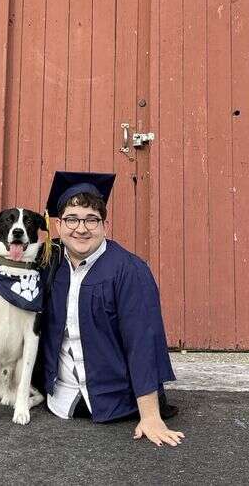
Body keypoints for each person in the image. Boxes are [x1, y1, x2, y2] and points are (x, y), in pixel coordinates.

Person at [39, 171, 185, 447]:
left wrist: (151, 416)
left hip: (117, 402)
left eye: (91, 220)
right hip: (59, 400)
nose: (81, 229)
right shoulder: (50, 262)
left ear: (105, 224)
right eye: (72, 219)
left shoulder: (129, 271)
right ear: (58, 225)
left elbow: (142, 342)